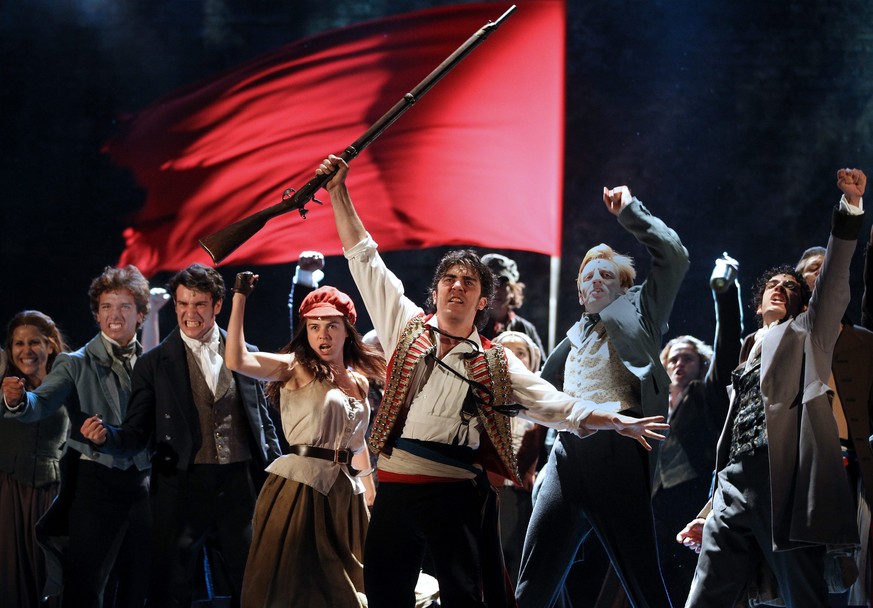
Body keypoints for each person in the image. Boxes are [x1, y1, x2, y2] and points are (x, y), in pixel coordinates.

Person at [317, 153, 669, 608]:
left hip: (454, 493)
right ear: (437, 289)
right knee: (385, 595)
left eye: (468, 281)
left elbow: (556, 404)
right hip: (397, 486)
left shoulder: (497, 361)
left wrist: (613, 420)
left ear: (483, 300)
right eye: (449, 278)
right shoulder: (404, 324)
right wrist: (338, 192)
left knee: (464, 597)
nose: (457, 286)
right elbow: (364, 259)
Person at [678, 168, 866, 607]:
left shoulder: (809, 334)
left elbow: (835, 277)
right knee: (704, 597)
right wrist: (707, 511)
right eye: (772, 286)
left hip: (786, 476)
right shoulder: (749, 349)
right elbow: (733, 438)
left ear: (802, 302)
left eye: (790, 287)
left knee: (803, 594)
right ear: (758, 299)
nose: (780, 289)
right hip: (733, 484)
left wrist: (850, 209)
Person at [516, 182, 688, 608]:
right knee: (531, 589)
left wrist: (630, 211)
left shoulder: (641, 313)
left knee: (644, 585)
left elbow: (675, 257)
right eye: (588, 276)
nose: (595, 280)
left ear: (624, 287)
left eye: (606, 275)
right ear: (579, 292)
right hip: (566, 457)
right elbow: (533, 392)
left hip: (619, 452)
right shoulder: (572, 337)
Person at [80, 263, 282, 608]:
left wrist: (279, 473)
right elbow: (136, 432)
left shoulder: (246, 353)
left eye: (199, 304)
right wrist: (106, 438)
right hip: (183, 487)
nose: (190, 313)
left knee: (254, 582)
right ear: (174, 305)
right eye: (183, 304)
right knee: (173, 588)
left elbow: (263, 423)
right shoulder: (154, 364)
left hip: (239, 486)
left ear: (218, 305)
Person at [225, 274, 384, 607]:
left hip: (345, 490)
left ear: (347, 330)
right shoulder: (296, 367)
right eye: (314, 326)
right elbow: (236, 360)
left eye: (331, 326)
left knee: (350, 587)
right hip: (301, 488)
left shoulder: (360, 382)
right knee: (295, 585)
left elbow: (358, 441)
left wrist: (369, 488)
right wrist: (239, 296)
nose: (322, 334)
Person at [2, 265, 153, 608]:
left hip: (142, 485)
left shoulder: (152, 362)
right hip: (95, 483)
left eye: (124, 307)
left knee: (137, 584)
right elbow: (40, 402)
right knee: (85, 587)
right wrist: (17, 400)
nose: (115, 315)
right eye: (106, 307)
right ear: (97, 315)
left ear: (141, 314)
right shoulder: (74, 363)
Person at [795, 244, 873, 607]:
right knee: (799, 575)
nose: (823, 273)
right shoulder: (783, 339)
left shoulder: (863, 341)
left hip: (851, 467)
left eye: (830, 267)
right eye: (814, 268)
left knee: (852, 573)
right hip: (796, 469)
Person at [0, 311, 70, 608]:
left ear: (51, 345)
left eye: (34, 343)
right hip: (9, 494)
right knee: (13, 581)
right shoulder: (4, 382)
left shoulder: (69, 381)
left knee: (53, 578)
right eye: (18, 344)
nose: (25, 351)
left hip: (52, 495)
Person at [490, 330, 548, 585]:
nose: (512, 356)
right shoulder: (478, 394)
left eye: (520, 352)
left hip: (519, 495)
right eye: (506, 350)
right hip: (480, 490)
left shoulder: (542, 400)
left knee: (514, 569)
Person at [480, 253, 546, 359]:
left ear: (512, 289)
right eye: (491, 284)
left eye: (502, 284)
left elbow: (541, 368)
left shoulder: (526, 328)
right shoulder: (471, 325)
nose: (496, 290)